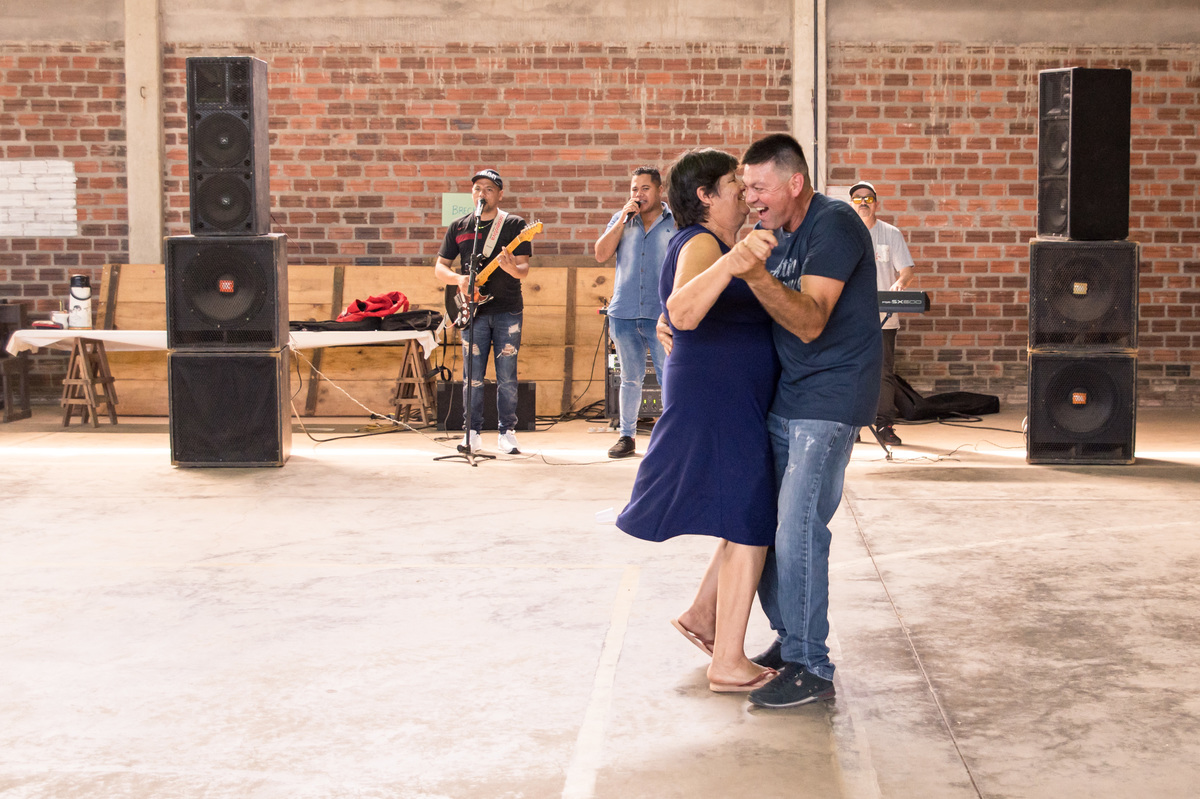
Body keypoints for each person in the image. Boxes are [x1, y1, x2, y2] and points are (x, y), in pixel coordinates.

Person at [616, 149, 781, 693]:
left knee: (743, 509)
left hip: (727, 395)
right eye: (735, 183)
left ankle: (704, 618)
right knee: (750, 517)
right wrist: (733, 264)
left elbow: (680, 308)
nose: (745, 192)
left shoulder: (714, 245)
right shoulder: (704, 243)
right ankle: (728, 662)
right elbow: (683, 311)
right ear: (706, 196)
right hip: (717, 396)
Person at [729, 134, 881, 709]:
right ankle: (791, 638)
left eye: (759, 187)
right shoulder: (778, 233)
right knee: (767, 528)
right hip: (789, 395)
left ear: (795, 183)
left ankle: (810, 665)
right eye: (745, 188)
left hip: (831, 397)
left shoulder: (834, 224)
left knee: (798, 530)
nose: (750, 199)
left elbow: (812, 320)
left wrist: (754, 273)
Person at [434, 169, 532, 454]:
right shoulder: (460, 226)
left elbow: (524, 268)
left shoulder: (514, 224)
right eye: (477, 188)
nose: (482, 193)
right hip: (472, 311)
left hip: (507, 310)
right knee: (472, 376)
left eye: (489, 189)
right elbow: (440, 267)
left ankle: (507, 431)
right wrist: (459, 279)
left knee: (507, 375)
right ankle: (472, 432)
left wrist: (512, 268)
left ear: (500, 194)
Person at [594, 167, 676, 459]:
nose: (638, 194)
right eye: (634, 189)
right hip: (624, 312)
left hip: (661, 314)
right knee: (630, 378)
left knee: (669, 377)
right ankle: (626, 437)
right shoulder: (621, 219)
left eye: (645, 189)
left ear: (659, 190)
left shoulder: (675, 221)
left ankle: (671, 439)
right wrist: (621, 221)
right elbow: (601, 254)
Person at [849, 180, 916, 447]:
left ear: (876, 203)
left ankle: (885, 424)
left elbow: (907, 271)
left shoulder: (891, 234)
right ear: (851, 204)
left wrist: (900, 283)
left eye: (868, 198)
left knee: (883, 372)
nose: (863, 202)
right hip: (850, 317)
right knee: (852, 370)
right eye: (857, 198)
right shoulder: (843, 233)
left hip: (883, 317)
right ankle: (852, 426)